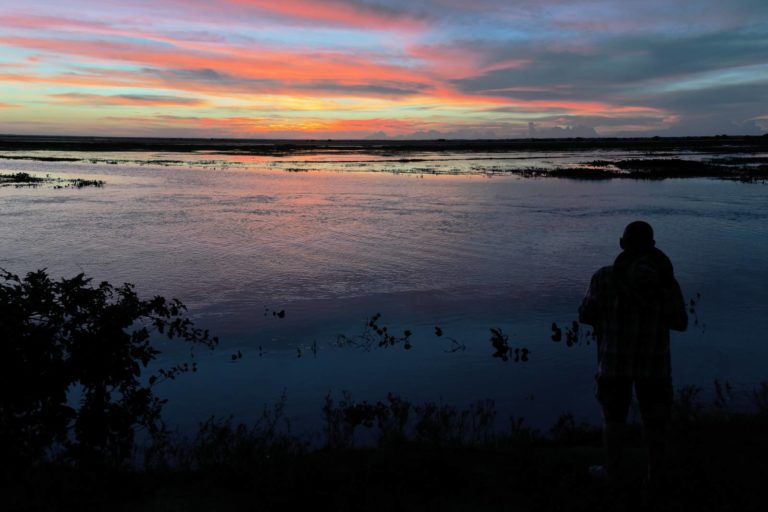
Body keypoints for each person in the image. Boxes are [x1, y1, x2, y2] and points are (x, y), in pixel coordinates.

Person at [578, 221, 688, 486]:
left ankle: (614, 474)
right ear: (652, 246)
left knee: (613, 421)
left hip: (614, 365)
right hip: (655, 367)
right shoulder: (667, 282)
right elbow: (681, 323)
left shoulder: (603, 277)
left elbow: (585, 315)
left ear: (621, 243)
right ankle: (656, 476)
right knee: (655, 422)